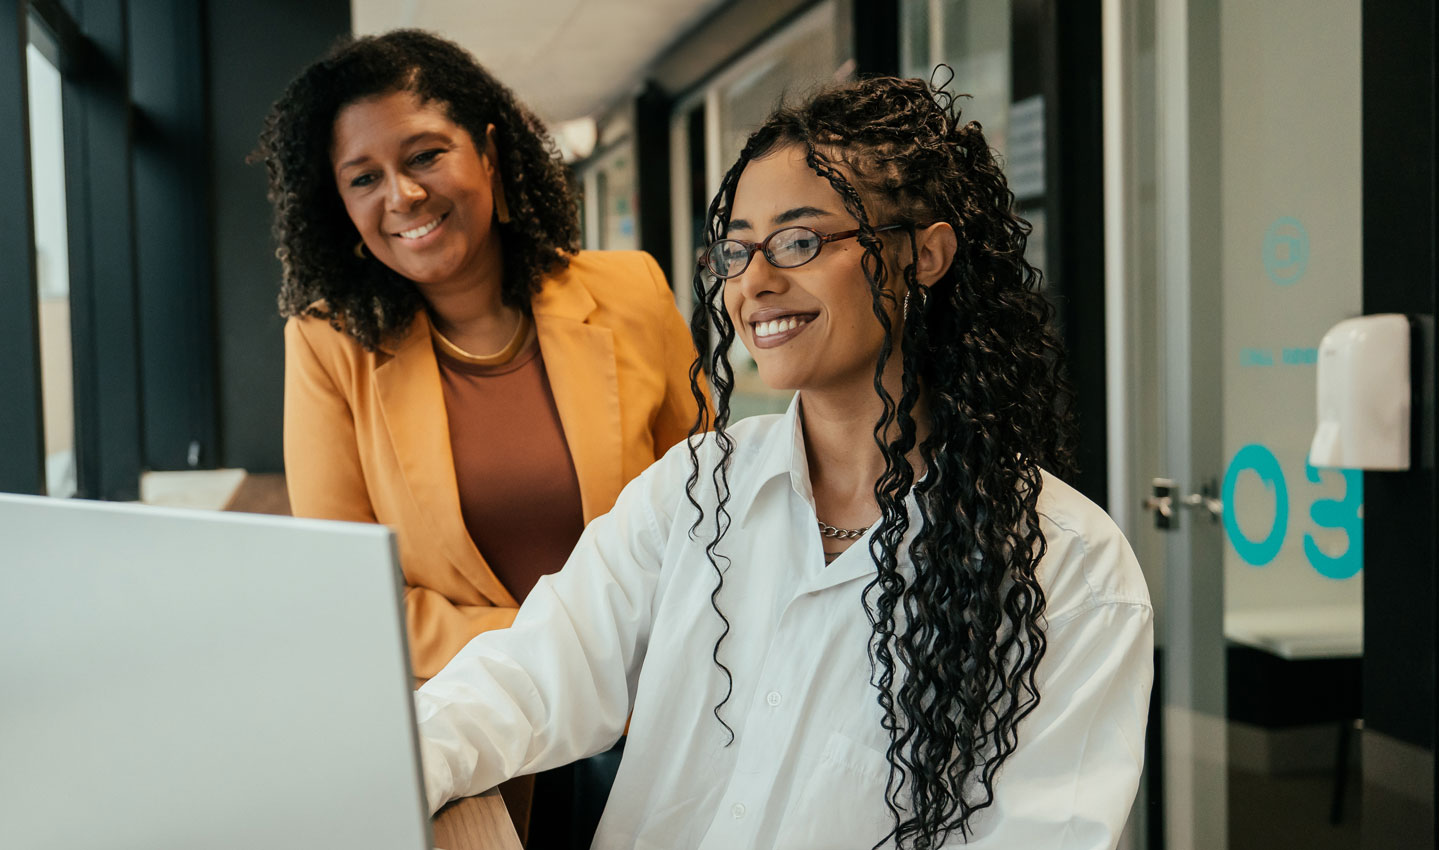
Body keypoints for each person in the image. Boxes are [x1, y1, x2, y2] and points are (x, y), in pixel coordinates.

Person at [414, 75, 1153, 850]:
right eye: (737, 249)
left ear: (924, 256)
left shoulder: (1069, 573)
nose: (755, 283)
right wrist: (382, 769)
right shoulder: (692, 491)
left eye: (799, 241)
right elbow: (529, 678)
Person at [259, 30, 707, 845]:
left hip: (664, 712)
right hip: (472, 731)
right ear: (341, 204)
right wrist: (566, 660)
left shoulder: (631, 290)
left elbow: (716, 521)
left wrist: (646, 666)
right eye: (364, 178)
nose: (402, 195)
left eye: (425, 155)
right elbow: (349, 600)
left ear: (489, 153)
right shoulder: (328, 345)